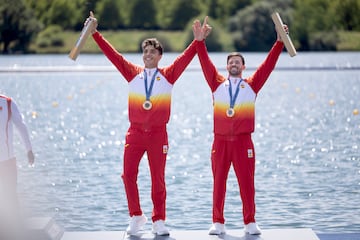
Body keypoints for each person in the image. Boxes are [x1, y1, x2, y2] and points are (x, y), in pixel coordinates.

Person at [84, 12, 206, 236]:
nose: (148, 55)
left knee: (157, 178)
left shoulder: (168, 75)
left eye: (152, 52)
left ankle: (158, 220)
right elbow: (114, 56)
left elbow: (186, 58)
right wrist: (95, 34)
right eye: (145, 51)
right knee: (127, 175)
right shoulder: (132, 74)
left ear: (160, 56)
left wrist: (197, 41)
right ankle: (136, 216)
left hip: (158, 135)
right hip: (135, 133)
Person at [193, 17, 287, 235]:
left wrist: (279, 41)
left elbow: (268, 65)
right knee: (219, 183)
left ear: (243, 67)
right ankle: (218, 222)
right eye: (231, 62)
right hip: (221, 141)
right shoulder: (216, 83)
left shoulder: (252, 85)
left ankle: (250, 222)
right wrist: (199, 42)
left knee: (247, 183)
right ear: (227, 66)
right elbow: (205, 62)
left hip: (244, 141)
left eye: (238, 62)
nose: (234, 64)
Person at [0, 94, 35, 239]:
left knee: (11, 199)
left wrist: (29, 150)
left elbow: (21, 126)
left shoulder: (7, 103)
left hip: (7, 162)